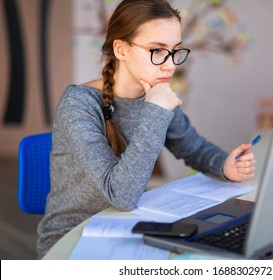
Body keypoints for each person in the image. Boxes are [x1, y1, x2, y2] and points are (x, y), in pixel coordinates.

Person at [36, 0, 256, 259]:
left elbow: (194, 148)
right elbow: (122, 195)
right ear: (121, 49)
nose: (170, 65)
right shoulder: (78, 104)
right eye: (156, 50)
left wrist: (223, 164)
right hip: (72, 239)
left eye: (175, 51)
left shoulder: (156, 93)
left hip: (129, 227)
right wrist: (156, 113)